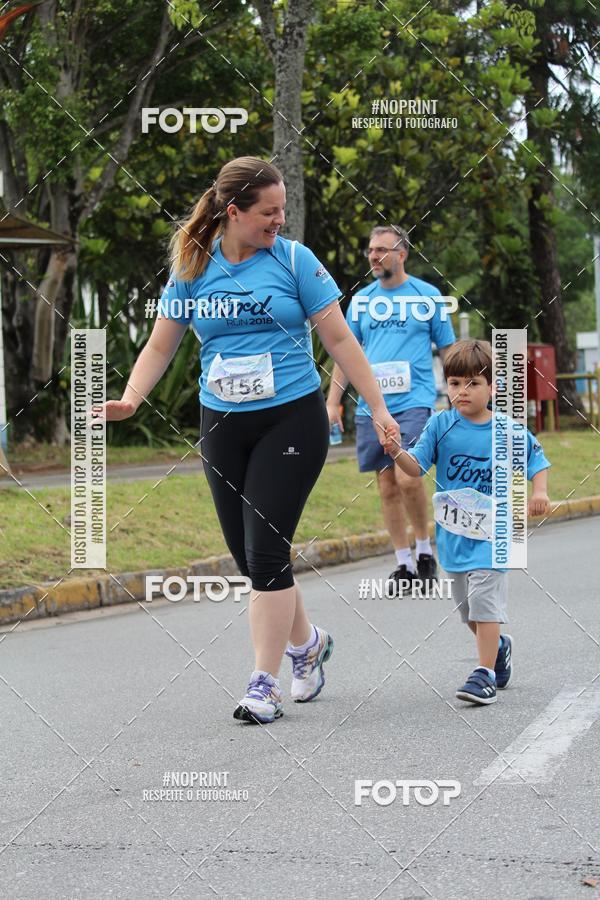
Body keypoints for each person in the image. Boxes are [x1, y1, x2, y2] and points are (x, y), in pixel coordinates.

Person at [104, 156, 399, 724]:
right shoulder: (193, 266)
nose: (279, 221)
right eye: (268, 212)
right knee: (252, 557)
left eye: (283, 210)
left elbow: (339, 341)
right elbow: (161, 345)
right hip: (222, 424)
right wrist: (132, 398)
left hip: (292, 419)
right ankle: (308, 643)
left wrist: (378, 407)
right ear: (233, 212)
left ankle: (263, 683)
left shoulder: (294, 262)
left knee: (265, 550)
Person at [390, 339, 551, 704]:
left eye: (473, 383)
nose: (462, 391)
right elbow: (416, 467)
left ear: (493, 387)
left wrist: (539, 492)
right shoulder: (440, 425)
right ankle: (498, 648)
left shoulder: (507, 430)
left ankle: (484, 675)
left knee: (484, 603)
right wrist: (396, 452)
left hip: (495, 532)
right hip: (454, 535)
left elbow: (537, 460)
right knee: (468, 612)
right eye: (455, 383)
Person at [326, 225, 455, 594]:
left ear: (402, 255)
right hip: (371, 406)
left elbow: (448, 353)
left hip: (414, 401)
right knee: (385, 485)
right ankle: (403, 562)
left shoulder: (427, 297)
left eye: (382, 249)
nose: (374, 256)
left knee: (407, 477)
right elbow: (343, 353)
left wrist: (457, 395)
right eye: (370, 250)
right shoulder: (362, 302)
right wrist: (333, 401)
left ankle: (425, 550)